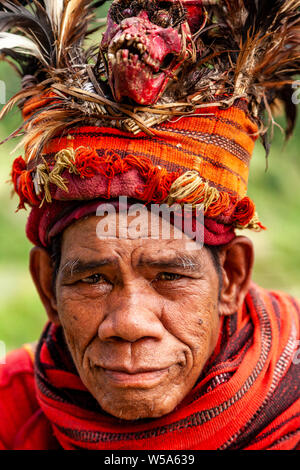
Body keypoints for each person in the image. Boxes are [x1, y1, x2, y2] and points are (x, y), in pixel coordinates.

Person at [0, 0, 300, 450]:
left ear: (231, 278)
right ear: (47, 288)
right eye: (94, 279)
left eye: (171, 276)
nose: (130, 323)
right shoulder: (12, 409)